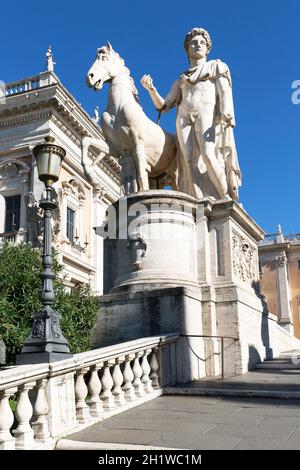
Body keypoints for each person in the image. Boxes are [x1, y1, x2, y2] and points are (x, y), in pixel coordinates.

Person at [141, 27, 241, 200]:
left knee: (209, 155)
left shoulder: (216, 66)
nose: (198, 45)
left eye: (202, 42)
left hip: (206, 112)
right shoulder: (182, 79)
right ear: (187, 48)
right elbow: (164, 106)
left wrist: (226, 113)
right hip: (184, 117)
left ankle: (224, 196)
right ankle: (198, 199)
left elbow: (224, 91)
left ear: (208, 48)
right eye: (193, 43)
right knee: (188, 163)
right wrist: (151, 89)